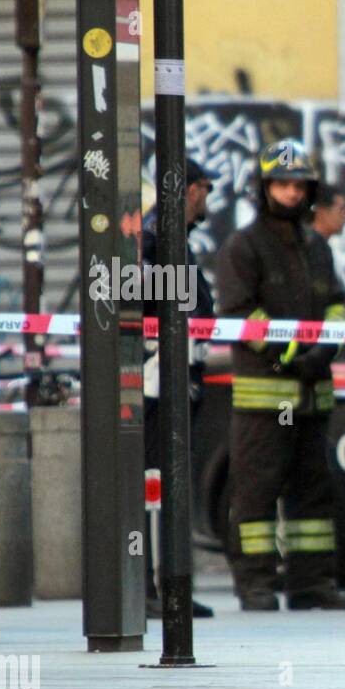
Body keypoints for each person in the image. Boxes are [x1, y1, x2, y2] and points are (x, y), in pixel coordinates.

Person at [215, 139, 345, 612]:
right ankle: (255, 584)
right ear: (265, 187)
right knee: (256, 492)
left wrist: (326, 348)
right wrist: (295, 353)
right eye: (282, 183)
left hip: (313, 394)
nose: (291, 193)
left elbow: (336, 303)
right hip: (265, 398)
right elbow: (240, 313)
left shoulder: (316, 245)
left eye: (299, 185)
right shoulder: (244, 245)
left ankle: (310, 583)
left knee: (313, 494)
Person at [141, 157, 216, 621]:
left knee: (169, 484)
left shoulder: (174, 241)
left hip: (177, 378)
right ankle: (151, 589)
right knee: (152, 485)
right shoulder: (154, 240)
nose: (208, 197)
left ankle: (170, 586)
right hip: (155, 383)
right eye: (206, 188)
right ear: (189, 191)